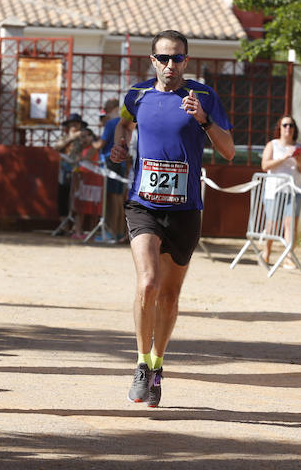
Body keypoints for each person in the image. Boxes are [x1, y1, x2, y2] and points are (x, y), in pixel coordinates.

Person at [110, 29, 234, 407]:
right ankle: (141, 365)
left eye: (177, 58)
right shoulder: (137, 95)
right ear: (152, 61)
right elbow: (124, 123)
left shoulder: (205, 97)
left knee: (169, 294)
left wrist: (203, 120)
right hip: (143, 204)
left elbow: (228, 151)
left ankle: (159, 364)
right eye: (163, 58)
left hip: (185, 209)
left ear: (187, 60)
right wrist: (120, 143)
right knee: (147, 283)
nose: (170, 65)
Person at [260, 115, 301, 266]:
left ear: (295, 129)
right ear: (279, 128)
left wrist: (298, 158)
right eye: (285, 125)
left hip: (294, 190)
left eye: (291, 125)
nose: (288, 128)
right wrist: (285, 157)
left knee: (290, 225)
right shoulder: (272, 145)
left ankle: (289, 256)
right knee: (272, 224)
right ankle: (266, 252)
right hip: (274, 190)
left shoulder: (298, 146)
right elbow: (265, 165)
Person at [93, 98, 127, 242]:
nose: (104, 108)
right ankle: (118, 231)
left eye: (106, 106)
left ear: (112, 107)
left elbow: (100, 144)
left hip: (110, 162)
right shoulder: (124, 123)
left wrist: (90, 143)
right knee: (119, 198)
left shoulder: (111, 123)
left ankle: (111, 232)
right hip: (122, 163)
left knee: (111, 198)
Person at [52, 113, 88, 224]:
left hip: (79, 172)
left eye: (76, 124)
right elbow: (57, 147)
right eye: (71, 124)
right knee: (63, 197)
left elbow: (89, 146)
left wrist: (81, 137)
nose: (74, 126)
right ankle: (64, 226)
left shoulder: (84, 137)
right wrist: (71, 138)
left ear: (80, 125)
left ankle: (75, 227)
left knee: (77, 199)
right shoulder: (65, 138)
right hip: (64, 172)